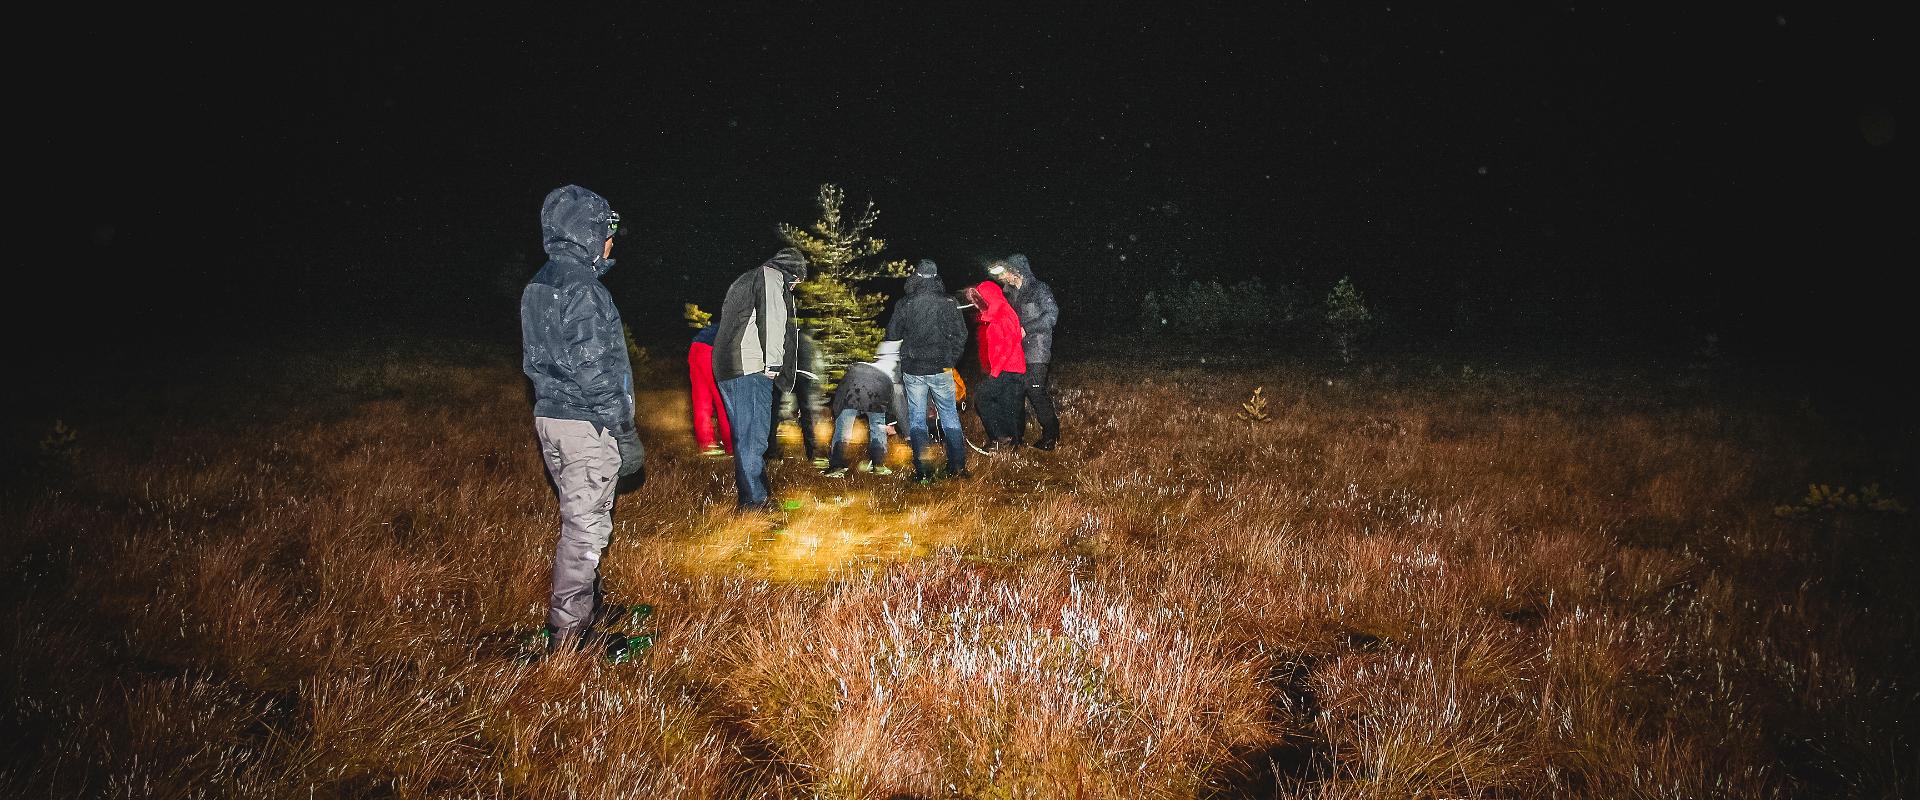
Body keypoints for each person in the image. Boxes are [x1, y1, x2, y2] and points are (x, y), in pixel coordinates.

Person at [519, 184, 643, 655]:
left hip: (549, 416)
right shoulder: (583, 289)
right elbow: (596, 368)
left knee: (582, 518)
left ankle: (584, 605)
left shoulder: (541, 282)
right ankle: (570, 637)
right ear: (585, 233)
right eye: (604, 233)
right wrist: (623, 430)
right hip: (586, 423)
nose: (611, 243)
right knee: (585, 528)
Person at [712, 247, 808, 511]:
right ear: (794, 274)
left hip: (726, 367)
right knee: (754, 437)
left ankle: (754, 494)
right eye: (798, 283)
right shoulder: (772, 276)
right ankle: (754, 502)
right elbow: (773, 318)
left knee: (745, 436)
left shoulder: (746, 278)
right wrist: (774, 364)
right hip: (750, 365)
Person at [884, 258, 969, 480]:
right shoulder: (949, 301)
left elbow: (892, 335)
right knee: (949, 415)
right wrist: (950, 360)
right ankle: (958, 468)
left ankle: (923, 471)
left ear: (917, 276)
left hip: (914, 371)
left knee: (918, 418)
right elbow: (961, 335)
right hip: (941, 368)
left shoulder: (906, 303)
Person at [990, 253, 1060, 449]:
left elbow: (1051, 316)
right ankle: (1016, 436)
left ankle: (1051, 436)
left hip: (1037, 350)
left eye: (1006, 273)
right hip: (1017, 352)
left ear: (1017, 271)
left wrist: (1026, 328)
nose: (1004, 277)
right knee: (1018, 392)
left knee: (1036, 392)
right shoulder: (1011, 295)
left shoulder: (1039, 289)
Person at [821, 340, 907, 477]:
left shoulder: (873, 364)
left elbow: (840, 395)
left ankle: (836, 466)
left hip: (852, 384)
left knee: (843, 428)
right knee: (877, 425)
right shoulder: (893, 373)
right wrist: (900, 428)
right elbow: (897, 403)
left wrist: (837, 413)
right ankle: (878, 465)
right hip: (878, 386)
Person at [968, 278, 1026, 451]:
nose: (978, 305)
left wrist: (996, 371)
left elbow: (1009, 343)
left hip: (1008, 368)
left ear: (988, 297)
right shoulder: (998, 312)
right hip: (1010, 368)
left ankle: (1000, 438)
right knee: (1007, 404)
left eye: (979, 300)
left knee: (981, 396)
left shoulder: (1002, 312)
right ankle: (1012, 441)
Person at [769, 327, 825, 467]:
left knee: (773, 412)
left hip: (784, 374)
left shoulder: (783, 337)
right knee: (806, 414)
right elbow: (817, 365)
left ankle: (770, 452)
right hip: (804, 375)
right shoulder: (807, 340)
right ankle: (812, 453)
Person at [687, 321, 732, 456]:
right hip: (709, 352)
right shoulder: (739, 326)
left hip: (695, 348)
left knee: (701, 401)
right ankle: (731, 445)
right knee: (723, 400)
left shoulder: (722, 322)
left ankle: (706, 444)